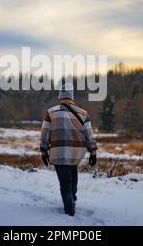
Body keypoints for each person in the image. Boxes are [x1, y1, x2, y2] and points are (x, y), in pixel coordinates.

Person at [40, 83, 98, 216]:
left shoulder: (51, 112)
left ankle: (69, 209)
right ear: (72, 96)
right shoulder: (83, 113)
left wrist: (43, 151)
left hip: (58, 153)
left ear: (60, 96)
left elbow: (44, 133)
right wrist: (93, 152)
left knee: (65, 183)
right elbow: (89, 134)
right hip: (76, 154)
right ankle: (72, 200)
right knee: (72, 177)